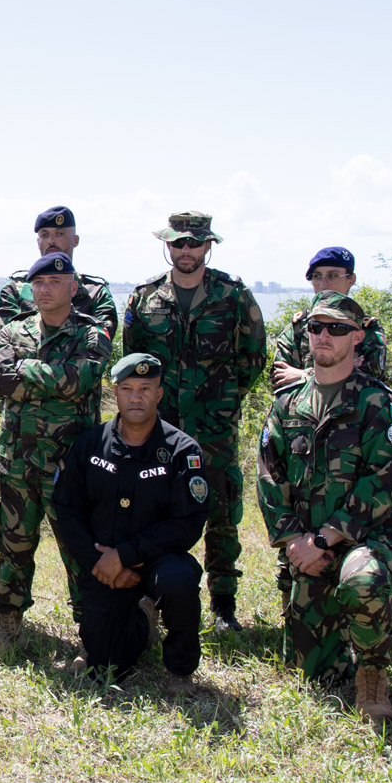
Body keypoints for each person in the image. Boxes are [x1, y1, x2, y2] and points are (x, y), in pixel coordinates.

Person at [257, 293, 392, 722]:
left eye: (336, 328)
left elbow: (381, 485)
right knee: (314, 673)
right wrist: (296, 542)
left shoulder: (379, 405)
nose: (323, 335)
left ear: (356, 337)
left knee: (361, 579)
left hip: (368, 541)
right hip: (307, 550)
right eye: (316, 327)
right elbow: (269, 478)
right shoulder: (288, 404)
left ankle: (373, 672)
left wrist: (324, 538)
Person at [122, 211, 268, 632]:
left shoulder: (233, 295)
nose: (186, 251)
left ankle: (224, 605)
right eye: (178, 243)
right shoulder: (145, 297)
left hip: (214, 427)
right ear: (168, 246)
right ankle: (152, 596)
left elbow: (253, 357)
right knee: (154, 509)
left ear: (209, 246)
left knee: (221, 511)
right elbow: (135, 364)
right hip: (160, 427)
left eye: (194, 243)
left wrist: (222, 399)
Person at [52, 354, 208, 688]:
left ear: (159, 394)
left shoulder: (182, 450)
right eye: (127, 389)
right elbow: (67, 510)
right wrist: (100, 562)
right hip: (106, 567)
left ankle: (180, 669)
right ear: (115, 394)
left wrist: (125, 554)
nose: (136, 397)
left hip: (159, 561)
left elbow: (189, 522)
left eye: (145, 388)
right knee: (105, 667)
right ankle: (143, 619)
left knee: (179, 582)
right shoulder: (89, 445)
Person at [0, 254, 110, 652]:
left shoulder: (91, 334)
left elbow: (82, 378)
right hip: (18, 461)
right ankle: (9, 621)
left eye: (55, 282)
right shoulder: (13, 330)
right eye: (38, 283)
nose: (45, 289)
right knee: (13, 544)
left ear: (73, 289)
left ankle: (92, 630)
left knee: (79, 548)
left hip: (70, 466)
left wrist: (27, 370)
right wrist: (54, 374)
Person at [271, 247, 388, 390]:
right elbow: (279, 378)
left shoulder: (365, 328)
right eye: (317, 276)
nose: (323, 284)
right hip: (299, 411)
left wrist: (303, 375)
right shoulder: (298, 327)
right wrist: (343, 370)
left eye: (332, 276)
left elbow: (369, 380)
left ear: (351, 279)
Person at [0, 207, 118, 343]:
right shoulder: (14, 290)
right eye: (45, 235)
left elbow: (100, 342)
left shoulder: (95, 292)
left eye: (59, 234)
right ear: (38, 242)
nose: (51, 241)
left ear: (75, 240)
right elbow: (6, 341)